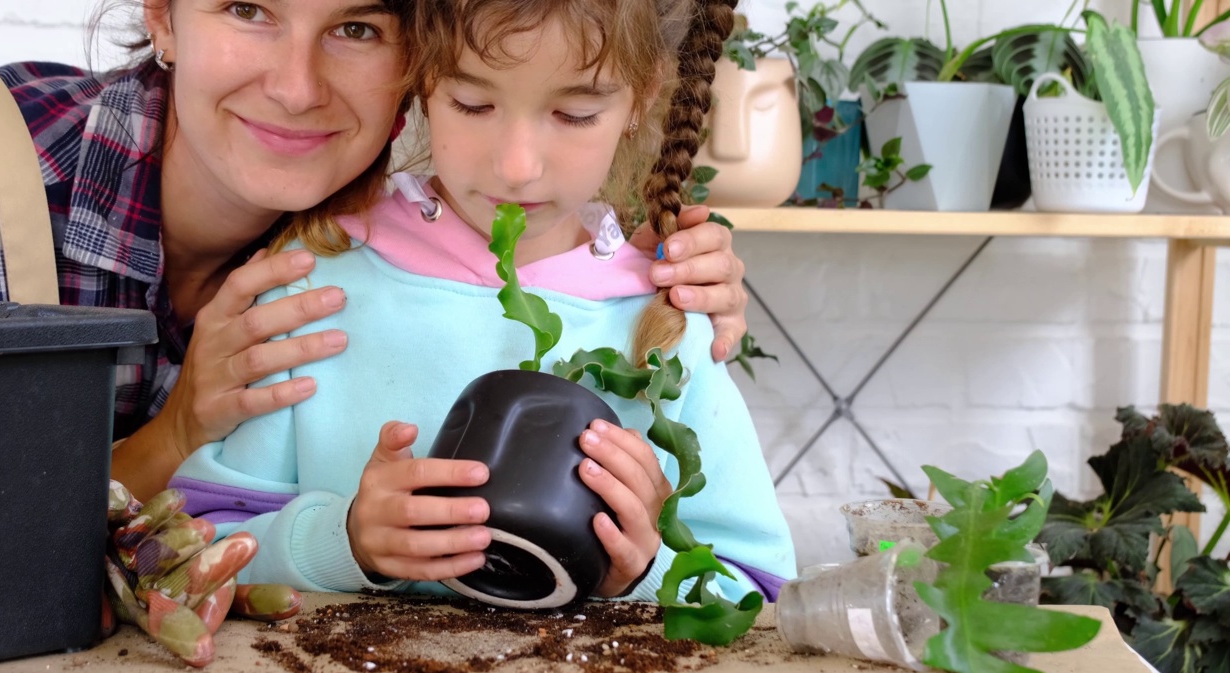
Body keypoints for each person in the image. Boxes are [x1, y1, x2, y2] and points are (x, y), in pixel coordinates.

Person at [0, 0, 751, 505]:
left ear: (418, 64)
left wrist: (632, 273)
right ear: (163, 15)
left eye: (357, 27)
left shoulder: (376, 241)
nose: (297, 87)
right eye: (246, 9)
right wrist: (180, 429)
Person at [169, 0, 795, 604]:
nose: (517, 168)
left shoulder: (668, 320)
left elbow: (763, 593)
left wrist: (646, 571)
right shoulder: (308, 287)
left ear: (645, 94)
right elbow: (191, 550)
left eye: (575, 114)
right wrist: (345, 542)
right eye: (472, 104)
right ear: (422, 81)